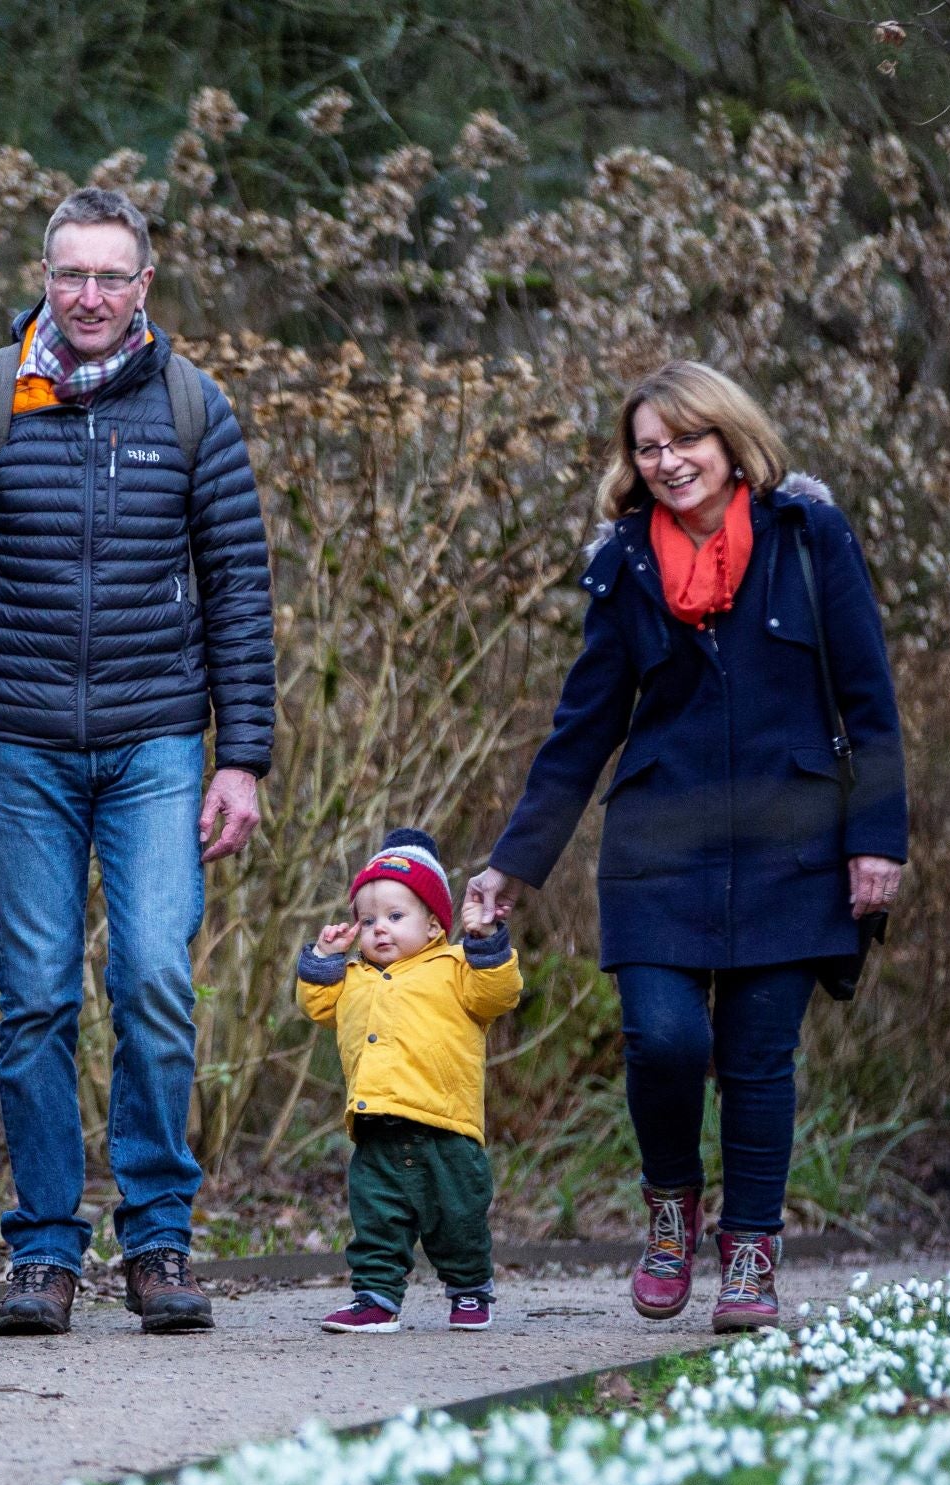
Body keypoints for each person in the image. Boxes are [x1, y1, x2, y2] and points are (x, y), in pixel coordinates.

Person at [0, 186, 276, 1336]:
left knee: (155, 979)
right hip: (16, 747)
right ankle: (46, 1251)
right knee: (39, 1000)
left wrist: (239, 756)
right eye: (73, 275)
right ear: (45, 277)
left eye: (114, 276)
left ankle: (158, 1241)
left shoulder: (196, 409)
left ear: (146, 284)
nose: (92, 297)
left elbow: (241, 593)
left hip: (161, 739)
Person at [465, 361, 908, 1334]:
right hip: (658, 845)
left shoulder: (807, 537)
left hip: (796, 842)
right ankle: (671, 1209)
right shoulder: (623, 563)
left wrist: (877, 840)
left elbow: (869, 703)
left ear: (729, 438)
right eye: (648, 447)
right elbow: (583, 726)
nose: (668, 463)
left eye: (685, 441)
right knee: (663, 1038)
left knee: (758, 1058)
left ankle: (751, 1254)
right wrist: (513, 862)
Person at [295, 830, 522, 1333]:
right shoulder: (353, 977)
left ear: (435, 923)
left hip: (446, 1126)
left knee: (458, 1218)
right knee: (376, 1219)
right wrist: (325, 957)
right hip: (377, 1126)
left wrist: (484, 944)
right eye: (369, 919)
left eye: (397, 917)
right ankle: (376, 1297)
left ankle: (468, 1289)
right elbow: (316, 1006)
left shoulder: (456, 967)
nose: (380, 930)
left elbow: (498, 994)